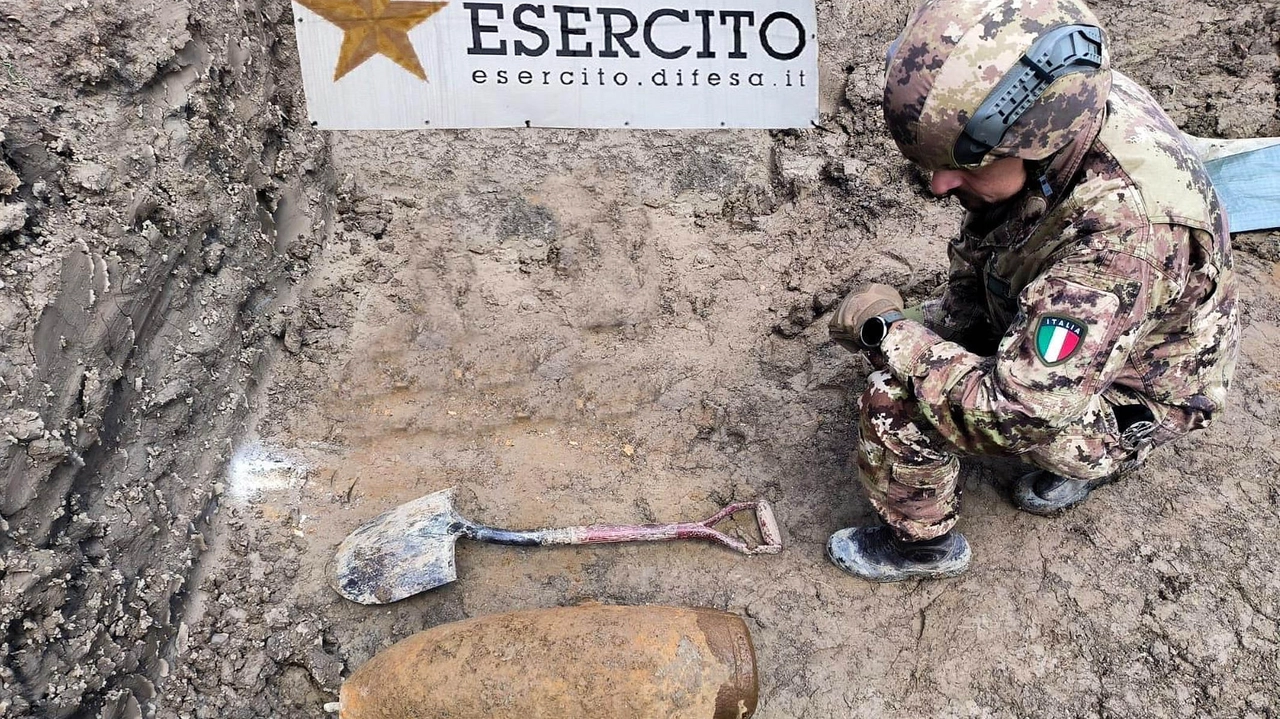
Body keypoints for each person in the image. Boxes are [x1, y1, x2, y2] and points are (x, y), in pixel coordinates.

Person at [825, 0, 1240, 582]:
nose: (940, 185)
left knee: (894, 396)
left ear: (1036, 143)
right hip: (1122, 325)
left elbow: (1016, 412)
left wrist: (889, 334)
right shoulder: (1070, 106)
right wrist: (942, 325)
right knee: (940, 337)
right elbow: (1000, 241)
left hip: (1140, 389)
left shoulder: (1121, 239)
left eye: (965, 165)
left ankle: (921, 548)